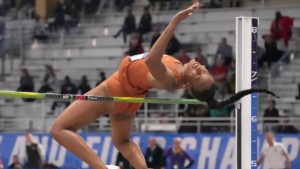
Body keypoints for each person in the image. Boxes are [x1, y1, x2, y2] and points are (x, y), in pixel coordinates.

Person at [50, 3, 279, 169]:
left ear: (189, 86)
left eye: (198, 74)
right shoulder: (181, 70)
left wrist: (174, 22)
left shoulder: (171, 78)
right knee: (122, 142)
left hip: (116, 89)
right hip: (132, 99)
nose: (199, 67)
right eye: (204, 70)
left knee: (59, 130)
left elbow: (150, 60)